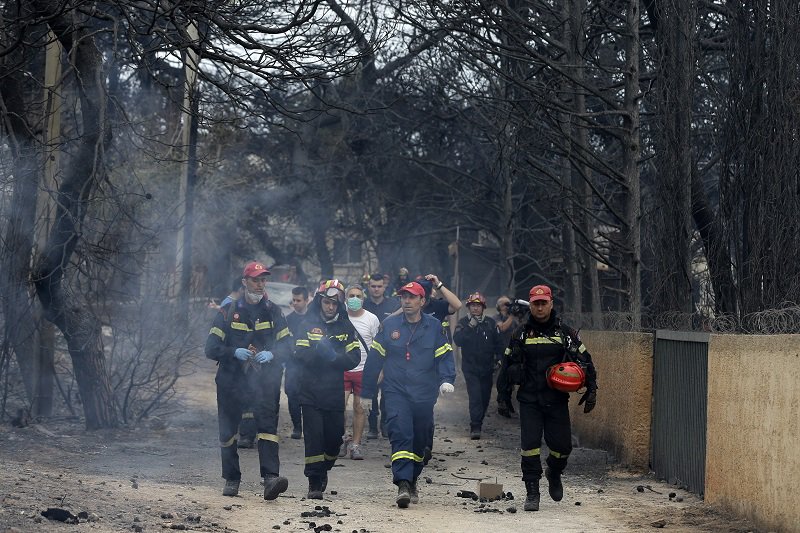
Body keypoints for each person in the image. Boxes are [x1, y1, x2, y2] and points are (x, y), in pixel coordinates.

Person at [496, 284, 598, 512]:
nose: (540, 307)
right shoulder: (520, 333)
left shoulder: (564, 333)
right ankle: (532, 493)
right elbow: (507, 365)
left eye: (544, 303)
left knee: (562, 447)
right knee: (530, 446)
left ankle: (554, 470)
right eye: (535, 303)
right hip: (529, 399)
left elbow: (585, 360)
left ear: (551, 304)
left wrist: (592, 389)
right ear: (530, 305)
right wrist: (503, 396)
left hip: (556, 399)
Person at [360, 281, 456, 508]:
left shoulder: (434, 327)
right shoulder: (389, 325)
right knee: (400, 433)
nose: (407, 301)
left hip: (424, 394)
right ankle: (402, 483)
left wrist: (446, 380)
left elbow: (444, 356)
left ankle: (412, 479)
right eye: (404, 297)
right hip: (396, 391)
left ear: (422, 301)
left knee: (420, 441)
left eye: (412, 297)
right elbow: (374, 361)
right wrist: (366, 392)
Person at [204, 261, 293, 500]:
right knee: (228, 431)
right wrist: (233, 352)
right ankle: (232, 478)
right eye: (255, 279)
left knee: (267, 428)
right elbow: (211, 348)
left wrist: (273, 354)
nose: (260, 284)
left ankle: (271, 478)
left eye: (263, 280)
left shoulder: (274, 311)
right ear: (244, 282)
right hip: (231, 380)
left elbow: (288, 345)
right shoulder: (227, 311)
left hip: (265, 380)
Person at [293, 279, 361, 499]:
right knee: (314, 437)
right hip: (309, 391)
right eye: (327, 303)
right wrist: (318, 353)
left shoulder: (345, 326)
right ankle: (314, 481)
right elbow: (300, 353)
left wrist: (333, 357)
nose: (330, 307)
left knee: (334, 438)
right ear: (320, 301)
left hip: (333, 391)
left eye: (335, 303)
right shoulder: (306, 324)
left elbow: (354, 357)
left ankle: (325, 466)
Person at [452, 291, 505, 440]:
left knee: (485, 397)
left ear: (483, 307)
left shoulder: (490, 323)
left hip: (488, 368)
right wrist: (470, 326)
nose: (475, 308)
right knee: (475, 397)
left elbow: (498, 343)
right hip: (470, 368)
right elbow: (458, 341)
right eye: (472, 305)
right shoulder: (463, 323)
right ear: (469, 307)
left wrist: (499, 358)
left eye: (478, 305)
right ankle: (475, 427)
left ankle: (478, 420)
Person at [341, 284, 380, 460]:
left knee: (360, 408)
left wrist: (380, 370)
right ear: (345, 298)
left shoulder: (372, 319)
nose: (354, 299)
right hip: (341, 369)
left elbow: (379, 347)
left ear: (363, 299)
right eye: (351, 295)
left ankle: (356, 445)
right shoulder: (339, 316)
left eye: (358, 296)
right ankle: (340, 440)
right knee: (337, 408)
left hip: (364, 370)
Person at [362, 273, 400, 439]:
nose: (376, 289)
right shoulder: (363, 305)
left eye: (379, 286)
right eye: (373, 286)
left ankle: (385, 424)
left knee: (387, 392)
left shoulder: (394, 305)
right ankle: (372, 427)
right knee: (370, 391)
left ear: (385, 287)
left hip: (389, 355)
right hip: (369, 354)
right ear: (368, 287)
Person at [284, 286, 309, 439]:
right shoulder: (288, 320)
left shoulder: (313, 318)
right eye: (293, 300)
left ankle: (308, 426)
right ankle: (297, 427)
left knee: (307, 396)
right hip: (292, 364)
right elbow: (284, 340)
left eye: (298, 300)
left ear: (306, 300)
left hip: (309, 365)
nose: (295, 303)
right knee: (291, 393)